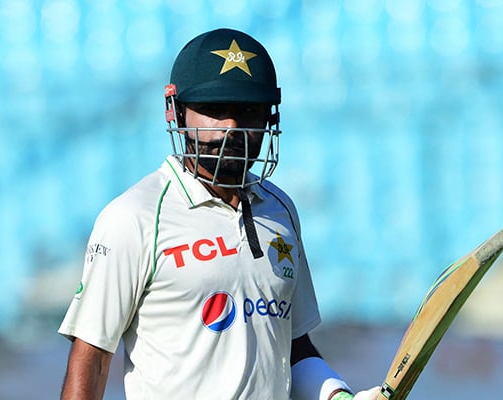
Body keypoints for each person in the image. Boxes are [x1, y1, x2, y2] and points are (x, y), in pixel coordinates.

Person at [58, 28, 380, 400]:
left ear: (269, 117)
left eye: (247, 110)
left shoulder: (280, 210)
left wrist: (337, 395)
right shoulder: (135, 217)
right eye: (213, 110)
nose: (231, 127)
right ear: (175, 111)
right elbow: (92, 359)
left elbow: (291, 346)